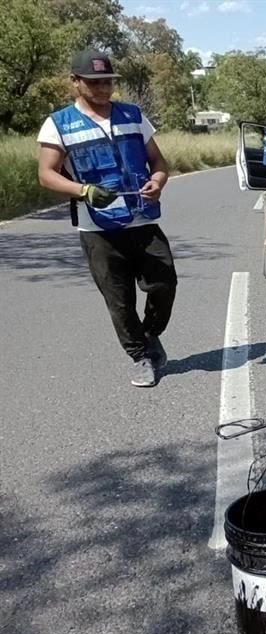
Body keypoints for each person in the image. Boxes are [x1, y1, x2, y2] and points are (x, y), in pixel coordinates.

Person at [37, 49, 177, 388]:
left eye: (108, 82)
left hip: (142, 220)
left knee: (164, 284)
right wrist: (83, 191)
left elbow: (159, 163)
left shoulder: (132, 114)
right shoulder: (58, 124)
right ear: (75, 82)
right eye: (95, 82)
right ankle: (140, 356)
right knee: (119, 300)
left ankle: (150, 333)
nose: (103, 89)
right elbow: (46, 174)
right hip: (97, 228)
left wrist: (157, 182)